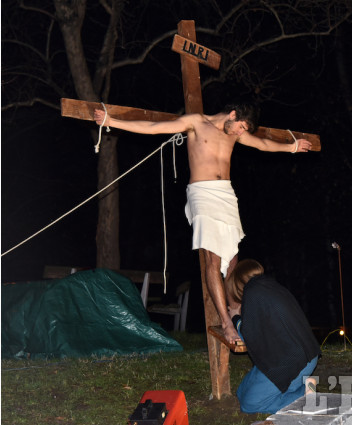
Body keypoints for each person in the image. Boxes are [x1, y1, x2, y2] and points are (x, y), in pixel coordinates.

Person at [93, 103, 312, 345]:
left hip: (226, 195)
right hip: (202, 193)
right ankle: (226, 324)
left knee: (233, 263)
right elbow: (154, 127)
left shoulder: (235, 133)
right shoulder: (196, 122)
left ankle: (236, 313)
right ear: (232, 114)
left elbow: (262, 144)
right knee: (213, 259)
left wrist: (291, 147)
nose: (241, 133)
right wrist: (110, 122)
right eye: (241, 127)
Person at [226, 259, 320, 414]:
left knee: (249, 405)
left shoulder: (252, 292)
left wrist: (235, 317)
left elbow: (246, 336)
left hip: (291, 361)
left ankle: (305, 394)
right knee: (241, 392)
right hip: (305, 354)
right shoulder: (272, 286)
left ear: (238, 283)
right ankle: (297, 388)